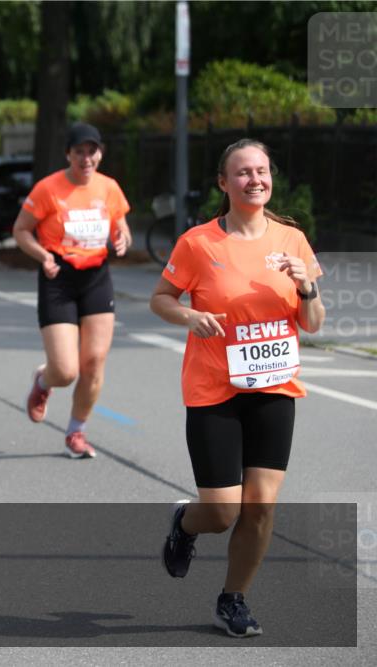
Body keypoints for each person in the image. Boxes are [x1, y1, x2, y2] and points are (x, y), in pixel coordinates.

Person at [151, 139, 324, 637]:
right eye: (243, 173)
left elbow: (312, 321)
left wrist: (308, 287)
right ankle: (186, 523)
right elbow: (160, 298)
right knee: (224, 510)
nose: (256, 180)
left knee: (262, 505)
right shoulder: (198, 242)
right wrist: (188, 314)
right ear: (224, 184)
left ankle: (234, 598)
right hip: (214, 392)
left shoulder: (292, 240)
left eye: (263, 171)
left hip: (274, 388)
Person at [12, 122, 132, 458]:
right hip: (58, 277)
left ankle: (76, 432)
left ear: (100, 153)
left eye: (91, 150)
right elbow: (21, 230)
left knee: (94, 362)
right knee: (66, 371)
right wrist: (42, 255)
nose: (86, 158)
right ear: (68, 154)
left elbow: (122, 226)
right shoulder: (48, 189)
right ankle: (43, 382)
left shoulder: (109, 188)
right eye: (78, 151)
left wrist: (122, 239)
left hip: (96, 276)